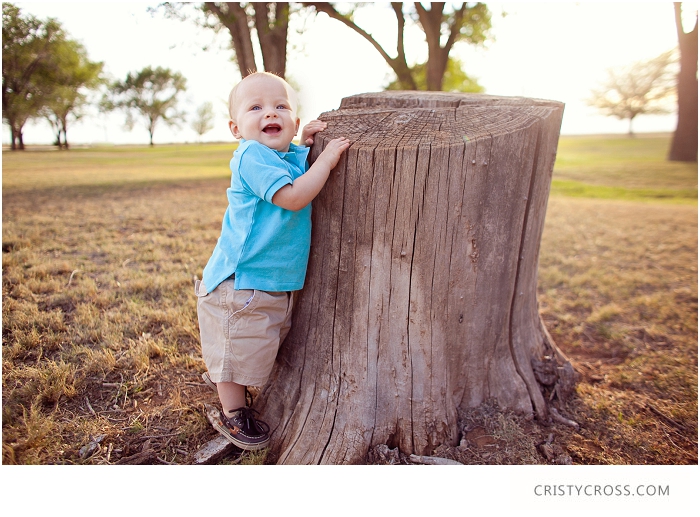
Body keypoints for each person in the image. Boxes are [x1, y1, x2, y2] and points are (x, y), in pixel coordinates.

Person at [194, 72, 350, 450]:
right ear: (236, 128)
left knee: (252, 345)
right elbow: (294, 196)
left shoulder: (277, 156)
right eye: (256, 107)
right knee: (236, 349)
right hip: (241, 281)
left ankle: (229, 387)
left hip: (268, 279)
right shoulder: (250, 156)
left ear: (294, 120)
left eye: (281, 106)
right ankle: (234, 414)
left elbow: (294, 166)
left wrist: (306, 144)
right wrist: (326, 160)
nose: (270, 113)